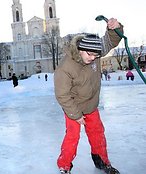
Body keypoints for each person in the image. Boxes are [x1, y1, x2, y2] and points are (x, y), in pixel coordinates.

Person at [54, 18, 122, 174]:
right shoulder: (65, 68)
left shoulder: (94, 51)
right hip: (73, 107)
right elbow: (62, 95)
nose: (93, 58)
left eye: (96, 55)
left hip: (91, 105)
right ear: (80, 49)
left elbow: (110, 42)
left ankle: (102, 162)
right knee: (72, 137)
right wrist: (76, 115)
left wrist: (114, 29)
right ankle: (64, 166)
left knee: (98, 133)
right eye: (90, 54)